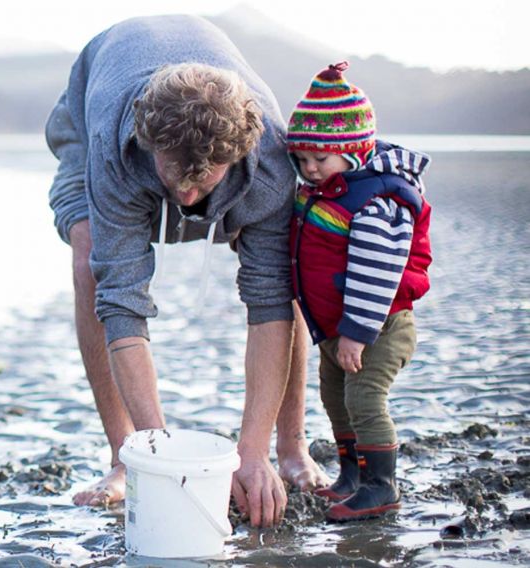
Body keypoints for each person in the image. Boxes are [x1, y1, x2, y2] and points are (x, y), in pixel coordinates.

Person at [44, 15, 330, 528]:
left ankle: (289, 446)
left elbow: (268, 306)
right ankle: (124, 458)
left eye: (204, 185)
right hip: (95, 95)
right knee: (91, 256)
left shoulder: (267, 163)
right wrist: (161, 455)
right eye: (176, 180)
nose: (188, 200)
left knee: (285, 276)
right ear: (147, 142)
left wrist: (251, 450)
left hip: (231, 152)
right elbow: (123, 304)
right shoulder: (117, 142)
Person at [285, 62, 432, 521]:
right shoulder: (327, 188)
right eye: (302, 159)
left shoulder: (375, 200)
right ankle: (352, 475)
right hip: (335, 327)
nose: (309, 169)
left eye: (319, 159)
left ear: (352, 151)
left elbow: (377, 272)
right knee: (335, 398)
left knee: (364, 398)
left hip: (378, 326)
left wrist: (356, 332)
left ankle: (380, 486)